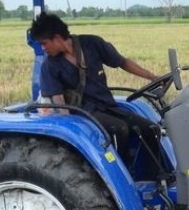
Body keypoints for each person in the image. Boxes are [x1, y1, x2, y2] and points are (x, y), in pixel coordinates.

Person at [29, 11, 166, 175]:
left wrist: (152, 77)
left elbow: (122, 62)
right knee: (118, 129)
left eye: (44, 43)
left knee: (150, 128)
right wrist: (72, 131)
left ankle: (156, 177)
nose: (43, 48)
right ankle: (119, 178)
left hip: (107, 106)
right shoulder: (49, 66)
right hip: (84, 112)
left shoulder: (92, 44)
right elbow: (58, 101)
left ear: (57, 37)